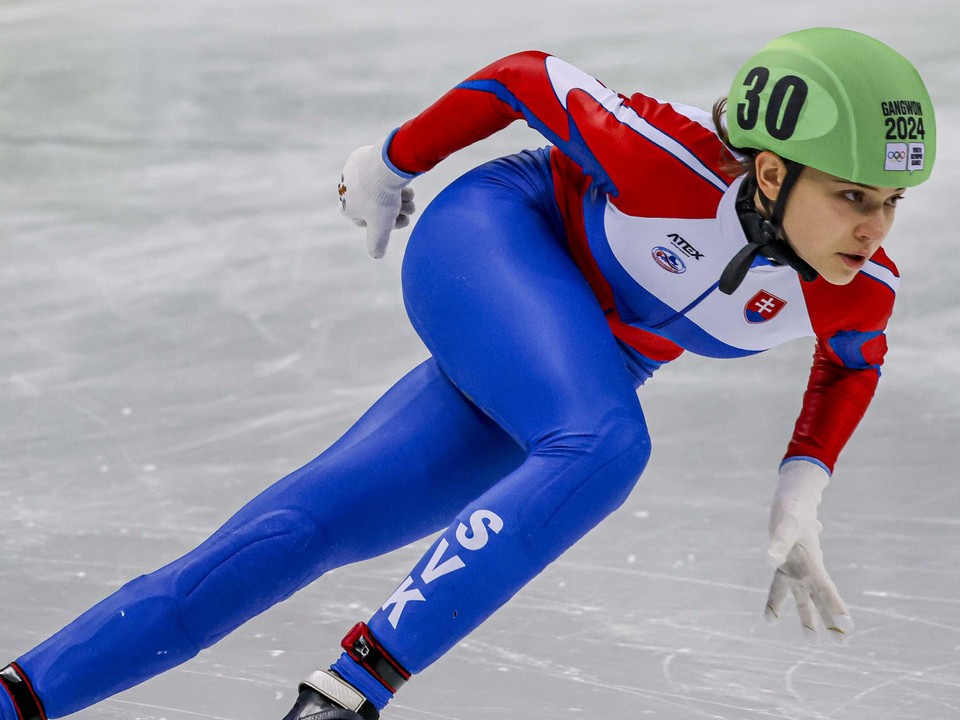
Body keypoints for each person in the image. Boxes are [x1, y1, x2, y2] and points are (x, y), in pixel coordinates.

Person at [0, 26, 936, 720]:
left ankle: (21, 693)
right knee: (605, 443)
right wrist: (393, 160)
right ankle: (350, 692)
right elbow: (523, 78)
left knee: (300, 529)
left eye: (892, 201)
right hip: (492, 243)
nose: (875, 229)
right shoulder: (666, 161)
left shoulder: (860, 288)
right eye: (853, 197)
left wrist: (800, 491)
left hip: (559, 371)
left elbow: (852, 367)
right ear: (769, 175)